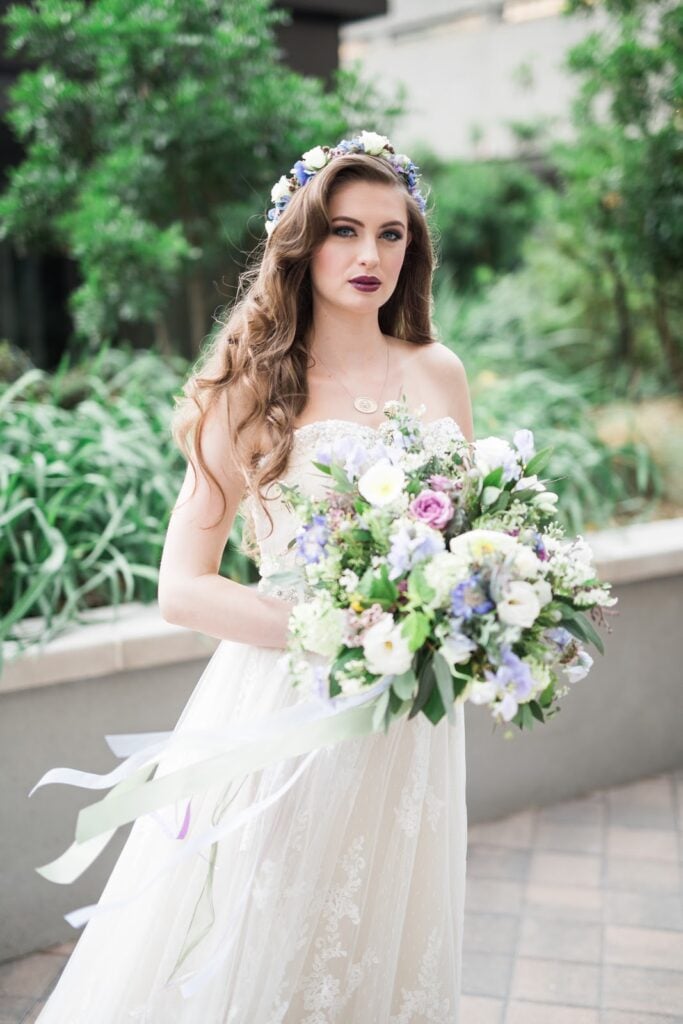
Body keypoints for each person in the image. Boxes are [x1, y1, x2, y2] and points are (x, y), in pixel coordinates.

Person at [34, 130, 474, 1023]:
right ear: (300, 241)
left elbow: (464, 541)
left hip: (411, 724)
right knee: (265, 936)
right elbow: (182, 586)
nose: (369, 256)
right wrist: (335, 628)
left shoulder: (437, 372)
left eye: (392, 235)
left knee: (385, 936)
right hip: (288, 703)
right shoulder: (247, 389)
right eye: (344, 231)